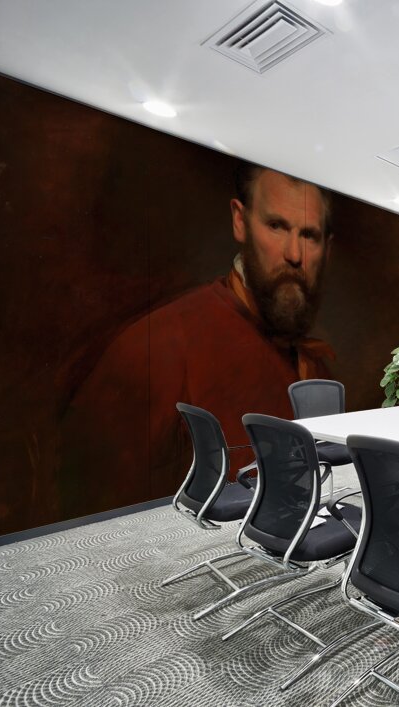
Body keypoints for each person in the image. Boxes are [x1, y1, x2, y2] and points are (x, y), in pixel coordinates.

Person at [59, 164, 336, 518]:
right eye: (276, 226)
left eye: (309, 235)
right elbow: (93, 511)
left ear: (326, 248)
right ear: (240, 222)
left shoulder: (314, 365)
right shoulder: (158, 347)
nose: (294, 254)